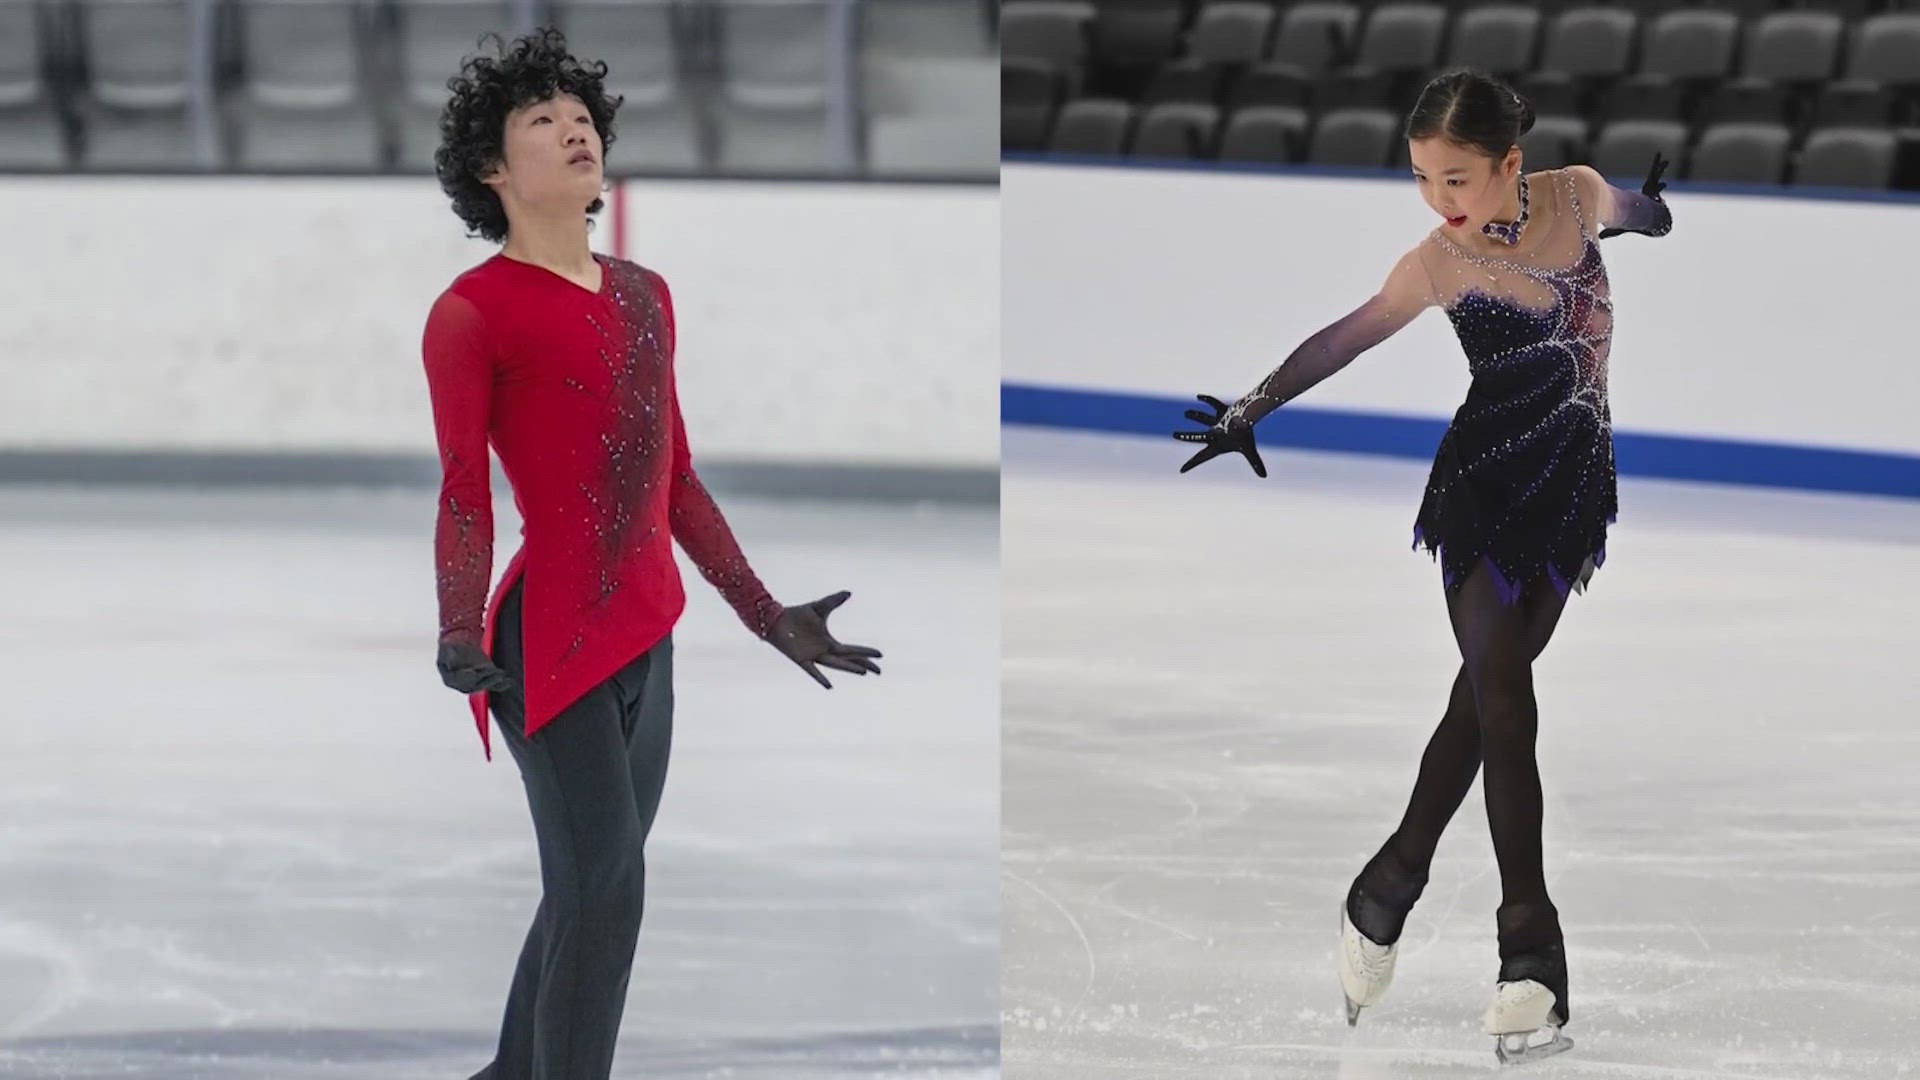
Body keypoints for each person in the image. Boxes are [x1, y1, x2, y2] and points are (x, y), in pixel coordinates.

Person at [1173, 68, 1672, 1065]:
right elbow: (1345, 338)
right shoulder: (1440, 263)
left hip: (1571, 488)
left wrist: (1656, 208)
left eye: (1458, 178)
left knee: (1482, 703)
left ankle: (1389, 882)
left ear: (1511, 166)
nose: (1442, 200)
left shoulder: (1572, 195)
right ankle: (1530, 950)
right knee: (1504, 700)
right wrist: (1250, 407)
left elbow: (1629, 209)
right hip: (1484, 490)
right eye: (1422, 179)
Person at [419, 29, 883, 1080]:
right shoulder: (470, 314)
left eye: (581, 117)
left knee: (593, 886)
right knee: (606, 899)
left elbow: (672, 477)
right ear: (495, 169)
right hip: (548, 646)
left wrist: (765, 613)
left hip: (647, 634)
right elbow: (462, 497)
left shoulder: (642, 293)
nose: (573, 130)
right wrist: (457, 627)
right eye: (542, 121)